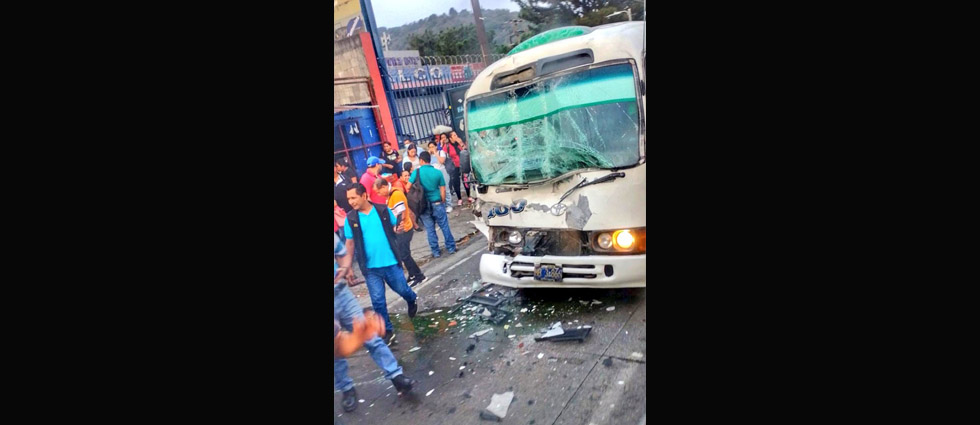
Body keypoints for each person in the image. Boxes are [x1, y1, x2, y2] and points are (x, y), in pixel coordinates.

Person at [334, 233, 416, 412]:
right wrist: (357, 335)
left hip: (342, 294)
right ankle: (347, 388)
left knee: (372, 337)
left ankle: (396, 377)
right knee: (336, 355)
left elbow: (342, 254)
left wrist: (344, 268)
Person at [344, 183, 419, 339]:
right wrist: (348, 266)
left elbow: (394, 226)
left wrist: (398, 229)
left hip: (391, 262)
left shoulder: (382, 210)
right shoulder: (351, 218)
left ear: (364, 195)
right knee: (378, 301)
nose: (351, 202)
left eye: (353, 197)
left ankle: (411, 299)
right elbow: (350, 243)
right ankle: (387, 330)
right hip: (370, 268)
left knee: (403, 290)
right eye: (349, 199)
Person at [374, 178, 426, 287]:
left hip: (404, 229)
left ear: (383, 187)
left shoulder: (396, 195)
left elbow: (400, 214)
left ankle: (419, 275)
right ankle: (412, 275)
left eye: (379, 192)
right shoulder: (390, 195)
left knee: (404, 255)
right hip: (401, 229)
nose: (378, 194)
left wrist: (397, 227)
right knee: (403, 254)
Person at [409, 151, 457, 258]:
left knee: (430, 229)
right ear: (429, 160)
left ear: (421, 160)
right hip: (437, 202)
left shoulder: (416, 173)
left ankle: (436, 251)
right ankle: (451, 247)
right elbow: (443, 190)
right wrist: (442, 201)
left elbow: (408, 187)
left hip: (423, 205)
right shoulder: (437, 172)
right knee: (444, 226)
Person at [427, 140, 453, 213]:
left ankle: (449, 205)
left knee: (445, 188)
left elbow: (441, 161)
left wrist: (435, 153)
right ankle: (443, 205)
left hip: (441, 171)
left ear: (436, 146)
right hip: (433, 173)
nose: (431, 148)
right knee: (438, 189)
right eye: (430, 147)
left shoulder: (440, 152)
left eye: (433, 146)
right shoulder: (429, 155)